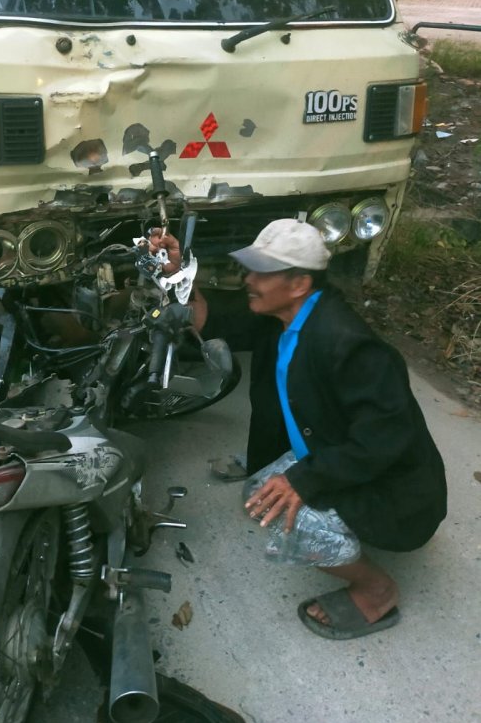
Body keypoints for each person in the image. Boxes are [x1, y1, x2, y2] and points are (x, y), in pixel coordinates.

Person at [149, 219, 447, 640]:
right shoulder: (281, 317)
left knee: (293, 521)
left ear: (298, 283)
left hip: (398, 496)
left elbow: (386, 437)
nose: (248, 281)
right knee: (260, 495)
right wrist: (175, 270)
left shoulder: (351, 346)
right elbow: (203, 317)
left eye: (260, 274)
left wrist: (306, 480)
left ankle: (376, 589)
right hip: (335, 453)